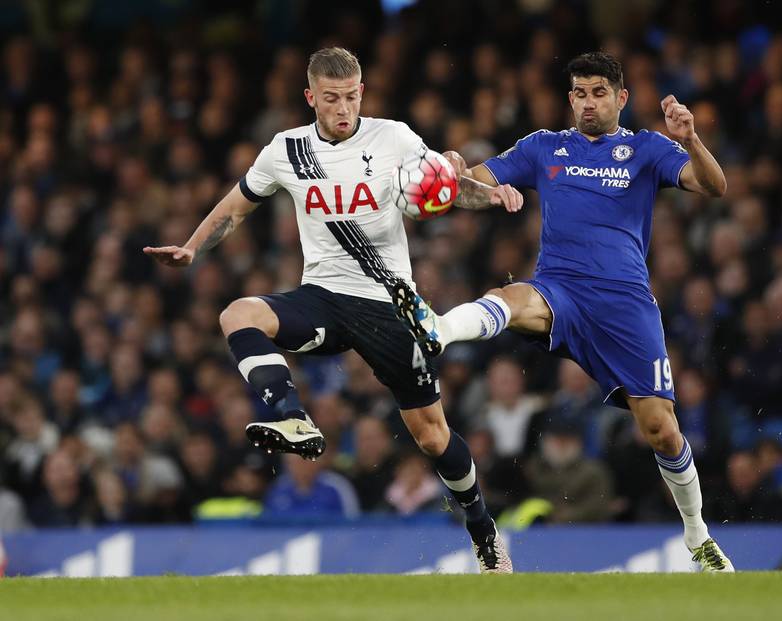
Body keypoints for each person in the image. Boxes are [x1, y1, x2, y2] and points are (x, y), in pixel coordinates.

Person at [143, 47, 513, 572]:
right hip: (322, 296)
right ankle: (293, 418)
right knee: (237, 314)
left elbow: (446, 188)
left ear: (362, 92)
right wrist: (192, 247)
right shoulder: (285, 150)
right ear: (310, 97)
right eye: (332, 98)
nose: (343, 108)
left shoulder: (395, 138)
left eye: (352, 96)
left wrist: (490, 195)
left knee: (431, 435)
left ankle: (482, 530)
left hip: (390, 305)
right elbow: (234, 208)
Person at [393, 51, 734, 571]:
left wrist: (690, 139)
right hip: (562, 291)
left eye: (599, 92)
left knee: (662, 429)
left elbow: (714, 186)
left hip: (625, 305)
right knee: (512, 299)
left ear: (620, 98)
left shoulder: (646, 149)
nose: (588, 102)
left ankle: (697, 537)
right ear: (569, 98)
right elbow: (473, 187)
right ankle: (437, 329)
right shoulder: (543, 147)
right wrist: (454, 175)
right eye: (580, 92)